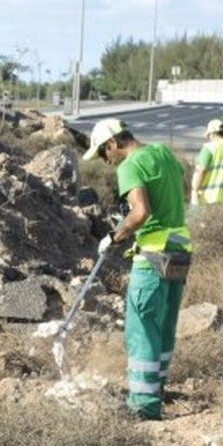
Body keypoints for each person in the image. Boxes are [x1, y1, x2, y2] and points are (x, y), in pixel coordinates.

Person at [83, 119, 192, 421]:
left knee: (142, 328)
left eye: (105, 154)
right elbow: (173, 189)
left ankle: (143, 406)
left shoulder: (129, 165)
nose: (107, 161)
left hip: (153, 258)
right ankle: (156, 391)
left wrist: (114, 236)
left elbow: (141, 212)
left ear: (113, 143)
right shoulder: (163, 152)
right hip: (180, 251)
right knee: (165, 326)